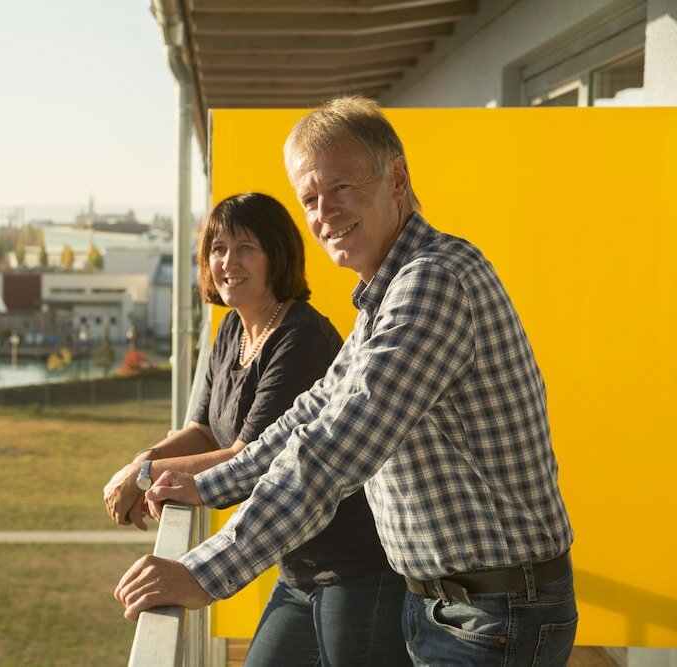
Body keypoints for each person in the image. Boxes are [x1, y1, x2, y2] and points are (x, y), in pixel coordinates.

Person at [115, 96, 577, 667]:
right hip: (451, 603)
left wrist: (205, 573)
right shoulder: (386, 294)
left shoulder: (433, 283)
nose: (325, 212)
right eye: (310, 197)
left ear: (397, 179)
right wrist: (207, 487)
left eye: (342, 188)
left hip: (495, 614)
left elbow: (337, 448)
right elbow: (312, 415)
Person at [103, 191, 409, 665]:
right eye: (217, 249)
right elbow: (205, 430)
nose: (227, 262)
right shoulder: (231, 329)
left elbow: (250, 454)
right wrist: (142, 461)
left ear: (277, 255)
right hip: (296, 564)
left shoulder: (300, 336)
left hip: (357, 570)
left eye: (245, 248)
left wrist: (143, 477)